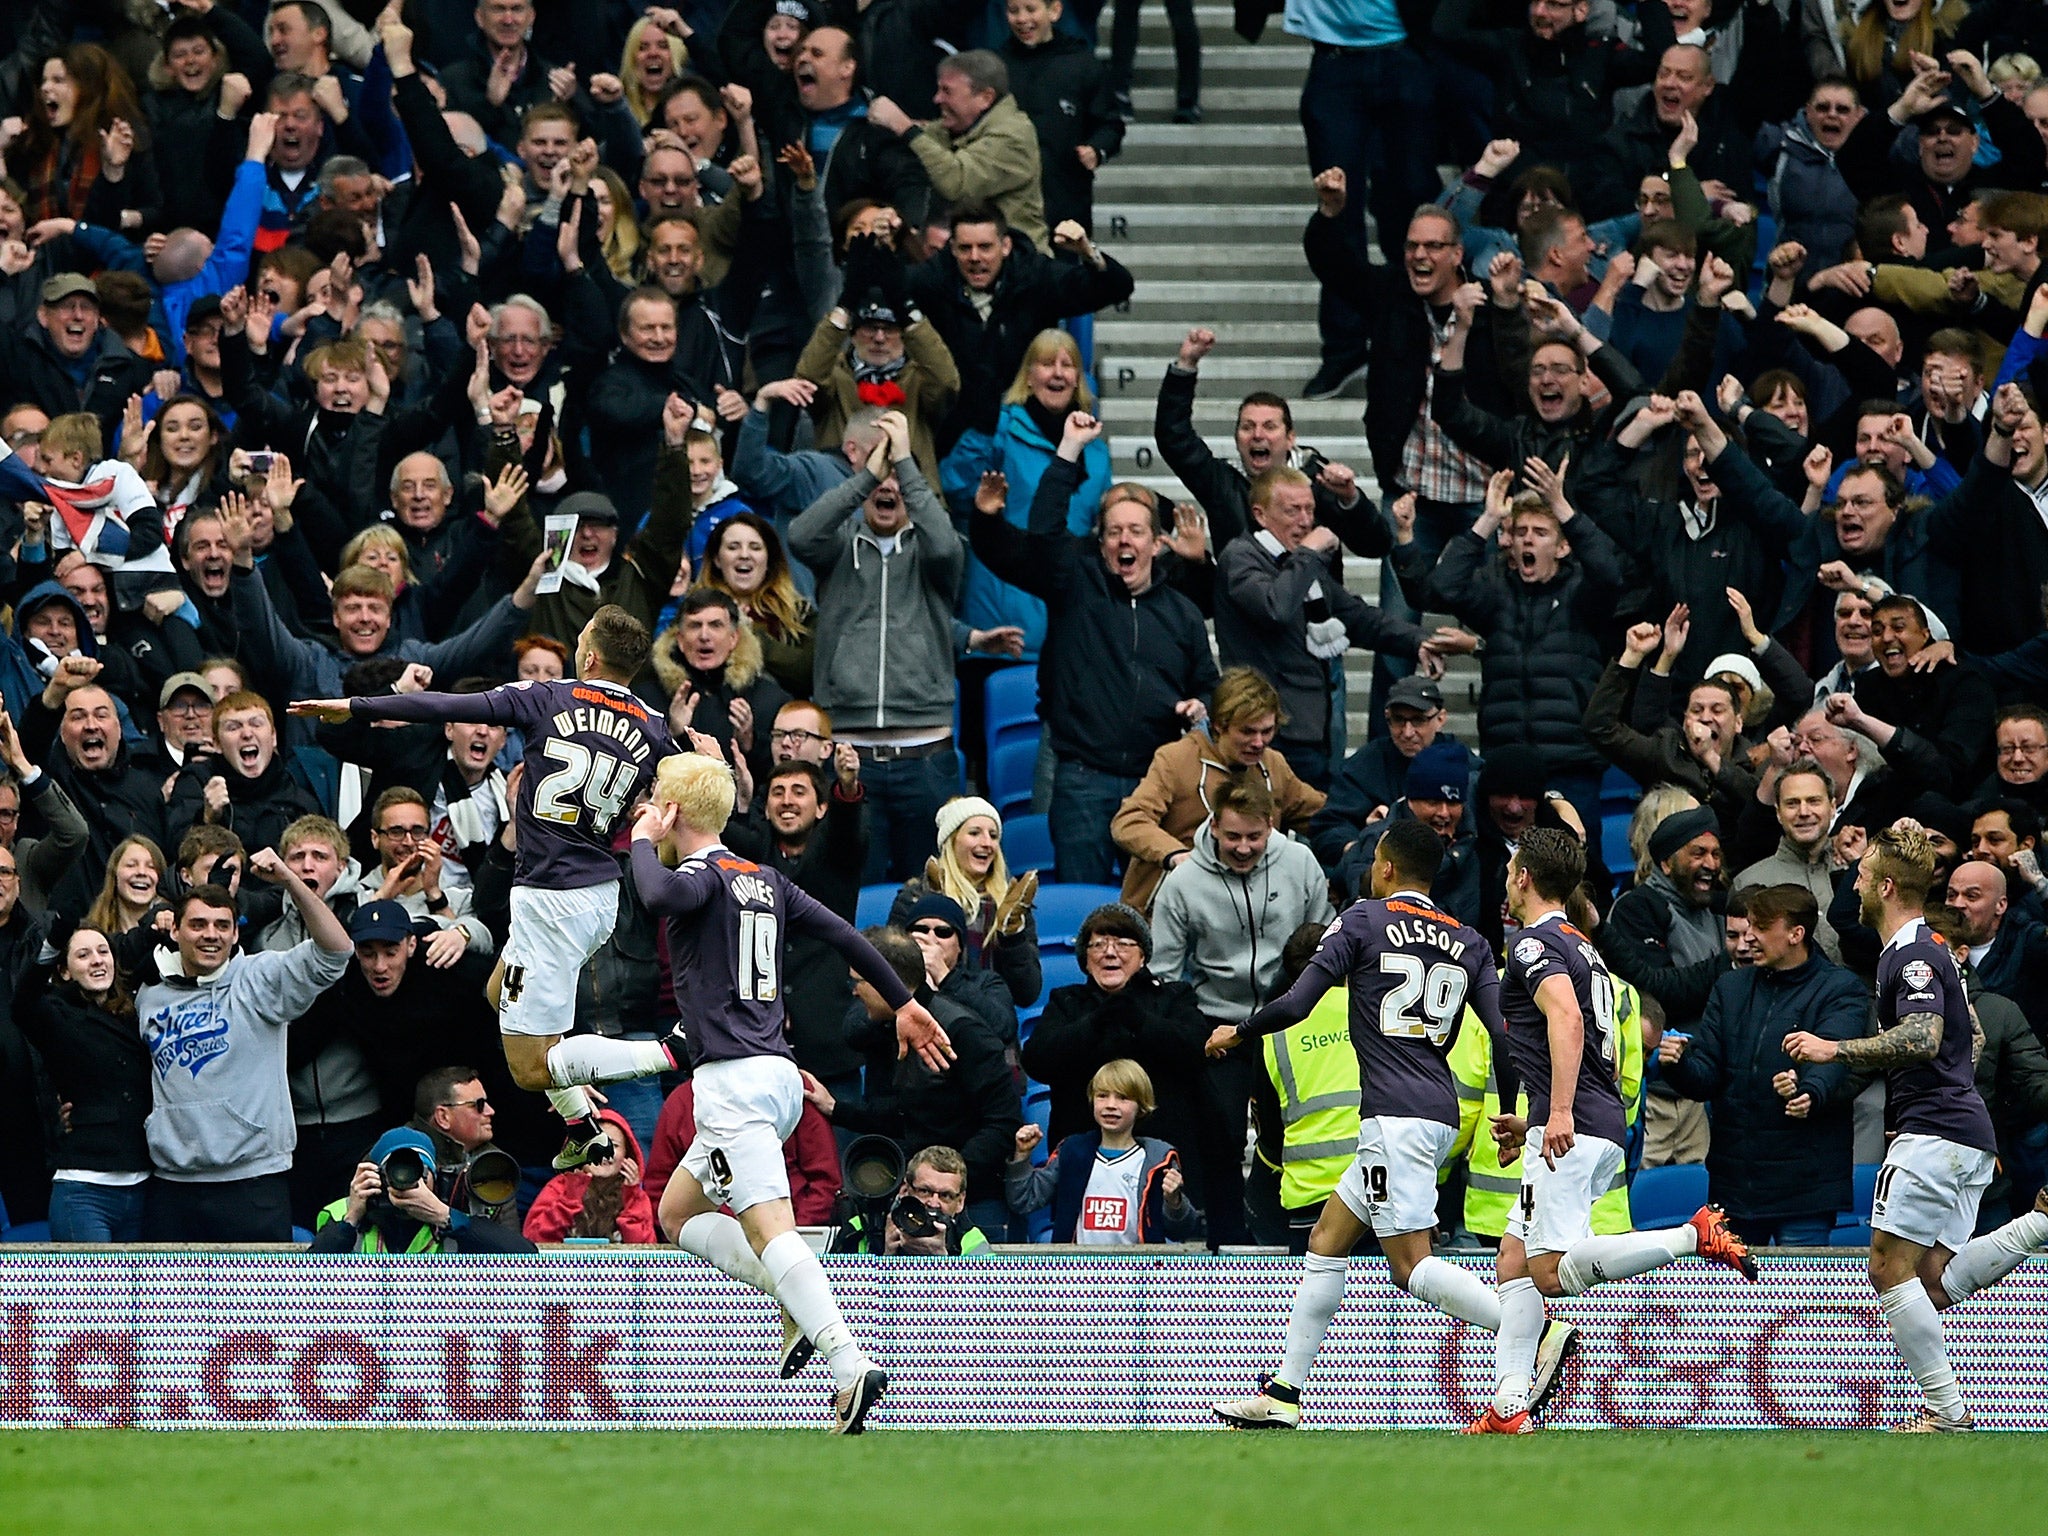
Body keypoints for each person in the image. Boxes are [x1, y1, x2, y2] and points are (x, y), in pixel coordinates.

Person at [630, 750, 952, 1432]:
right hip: (778, 1075)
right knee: (677, 1215)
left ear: (675, 812)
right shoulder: (765, 878)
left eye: (657, 803)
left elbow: (655, 895)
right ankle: (795, 1300)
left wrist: (637, 837)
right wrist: (902, 1001)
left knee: (771, 1228)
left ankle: (847, 1362)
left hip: (732, 1083)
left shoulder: (697, 876)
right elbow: (843, 933)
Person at [289, 605, 678, 1169]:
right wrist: (708, 758)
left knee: (529, 1066)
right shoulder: (653, 723)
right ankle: (585, 1129)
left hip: (553, 903)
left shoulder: (549, 697)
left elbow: (443, 706)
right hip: (597, 896)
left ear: (589, 656)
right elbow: (695, 784)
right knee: (497, 994)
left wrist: (355, 705)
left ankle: (670, 1052)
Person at [1208, 820, 1553, 1429]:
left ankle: (1532, 1329)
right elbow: (1504, 1036)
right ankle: (1284, 1394)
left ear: (1385, 867)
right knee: (1326, 1242)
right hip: (1432, 1113)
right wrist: (1513, 1109)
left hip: (1397, 1120)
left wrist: (1237, 1031)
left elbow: (1297, 1001)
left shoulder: (1363, 919)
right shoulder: (1470, 942)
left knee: (1410, 1266)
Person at [1474, 828, 1757, 1434]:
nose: (1506, 877)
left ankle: (1691, 1236)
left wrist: (1556, 1114)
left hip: (1573, 1124)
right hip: (1588, 1118)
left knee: (1549, 1272)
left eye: (1511, 868)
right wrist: (1536, 1117)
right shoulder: (1585, 946)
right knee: (1514, 1262)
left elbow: (1568, 1020)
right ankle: (1508, 1406)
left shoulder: (1532, 945)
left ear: (1523, 877)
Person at [1785, 821, 2048, 1432]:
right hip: (1960, 1131)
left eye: (1861, 873)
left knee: (1885, 1269)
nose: (1851, 881)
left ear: (1882, 885)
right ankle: (2037, 1225)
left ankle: (1946, 1411)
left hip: (1933, 1132)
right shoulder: (1920, 950)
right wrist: (1957, 1091)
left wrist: (1834, 1049)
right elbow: (1971, 1036)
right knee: (1929, 1282)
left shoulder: (1913, 954)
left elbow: (1926, 1037)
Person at [966, 413, 1218, 882]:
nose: (1125, 540)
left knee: (1154, 909)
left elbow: (1207, 680)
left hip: (1156, 782)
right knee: (1086, 910)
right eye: (1114, 531)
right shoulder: (1074, 584)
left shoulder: (1181, 612)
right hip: (1082, 780)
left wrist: (1199, 702)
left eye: (1137, 531)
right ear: (1100, 542)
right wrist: (1068, 449)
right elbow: (1043, 531)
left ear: (1157, 543)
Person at [1151, 774, 1334, 1245]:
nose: (1244, 847)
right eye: (1232, 836)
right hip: (1221, 1027)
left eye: (1255, 836)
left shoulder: (1301, 863)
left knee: (1295, 1133)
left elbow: (1327, 943)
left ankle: (1289, 1234)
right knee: (1225, 1138)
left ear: (1272, 824)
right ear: (1213, 826)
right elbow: (1167, 972)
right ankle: (1229, 1241)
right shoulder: (1184, 882)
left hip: (1293, 1016)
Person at [136, 850, 354, 1243]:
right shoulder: (149, 993)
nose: (211, 934)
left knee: (256, 1305)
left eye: (223, 925)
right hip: (172, 1183)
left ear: (236, 934)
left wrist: (289, 879)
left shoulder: (258, 978)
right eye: (198, 924)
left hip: (252, 1181)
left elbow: (336, 951)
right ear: (175, 931)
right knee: (169, 1304)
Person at [789, 411, 965, 884]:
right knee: (850, 896)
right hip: (851, 758)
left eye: (899, 478)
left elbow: (947, 545)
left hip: (925, 757)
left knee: (931, 896)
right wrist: (867, 473)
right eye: (878, 478)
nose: (888, 487)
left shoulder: (934, 554)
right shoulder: (836, 548)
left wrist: (905, 463)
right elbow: (800, 534)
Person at [1659, 884, 1871, 1246]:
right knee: (1736, 1301)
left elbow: (1835, 1056)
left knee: (1800, 1300)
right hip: (1734, 1186)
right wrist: (1678, 1064)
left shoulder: (1840, 989)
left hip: (1805, 1188)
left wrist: (1806, 1090)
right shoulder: (1730, 987)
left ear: (1795, 934)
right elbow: (1707, 1077)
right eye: (1744, 929)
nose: (1747, 939)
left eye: (1759, 928)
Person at [801, 925, 1022, 1235]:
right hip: (915, 1200)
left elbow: (1002, 1122)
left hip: (971, 1208)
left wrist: (945, 1182)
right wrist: (837, 1109)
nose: (853, 990)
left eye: (859, 981)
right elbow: (911, 1114)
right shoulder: (891, 1028)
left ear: (884, 981)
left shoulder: (964, 1032)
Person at [1112, 668, 1326, 915]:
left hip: (1246, 911)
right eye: (1247, 731)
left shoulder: (1272, 764)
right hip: (1166, 908)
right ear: (1219, 726)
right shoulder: (1176, 759)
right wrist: (1177, 856)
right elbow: (1129, 821)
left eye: (1267, 731)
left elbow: (1318, 813)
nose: (1258, 742)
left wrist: (1359, 815)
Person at [11, 921, 152, 1242]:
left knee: (141, 1293)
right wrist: (53, 942)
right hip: (85, 1187)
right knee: (95, 1294)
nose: (97, 960)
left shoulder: (136, 1013)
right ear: (64, 970)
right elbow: (23, 1002)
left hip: (144, 1182)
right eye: (83, 955)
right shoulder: (56, 1015)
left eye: (103, 952)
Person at [1006, 1058, 1202, 1243]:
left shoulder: (1159, 1159)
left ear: (1141, 1106)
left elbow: (1182, 1229)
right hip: (1078, 1273)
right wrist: (1022, 1157)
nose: (1110, 1105)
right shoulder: (1072, 1151)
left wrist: (1174, 1201)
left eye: (1123, 1098)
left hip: (1139, 1274)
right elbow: (1024, 1200)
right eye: (1102, 1096)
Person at [888, 795, 1042, 1009]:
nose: (987, 843)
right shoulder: (915, 899)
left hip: (993, 1025)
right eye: (974, 833)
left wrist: (1012, 936)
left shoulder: (1012, 903)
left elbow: (1027, 993)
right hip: (931, 1018)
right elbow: (893, 974)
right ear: (951, 840)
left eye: (993, 835)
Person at [309, 1126, 538, 1254]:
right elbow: (307, 1282)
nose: (410, 1182)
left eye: (421, 1173)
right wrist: (352, 1219)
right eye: (395, 1172)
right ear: (376, 1178)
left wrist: (444, 1216)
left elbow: (525, 1257)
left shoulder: (459, 1217)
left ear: (435, 1179)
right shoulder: (341, 1213)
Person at [522, 1109, 658, 1244]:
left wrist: (631, 1199)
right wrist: (569, 1199)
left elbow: (647, 1253)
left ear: (627, 1155)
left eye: (613, 1145)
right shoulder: (559, 1188)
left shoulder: (635, 1196)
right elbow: (534, 1242)